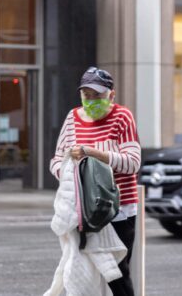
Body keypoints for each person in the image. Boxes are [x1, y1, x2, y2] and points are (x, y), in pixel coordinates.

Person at [49, 67, 141, 296]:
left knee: (117, 273)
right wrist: (70, 173)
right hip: (84, 210)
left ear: (112, 94)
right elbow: (57, 159)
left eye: (97, 95)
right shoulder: (73, 118)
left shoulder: (122, 116)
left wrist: (94, 154)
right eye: (86, 95)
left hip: (118, 210)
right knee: (85, 271)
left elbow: (133, 162)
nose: (91, 100)